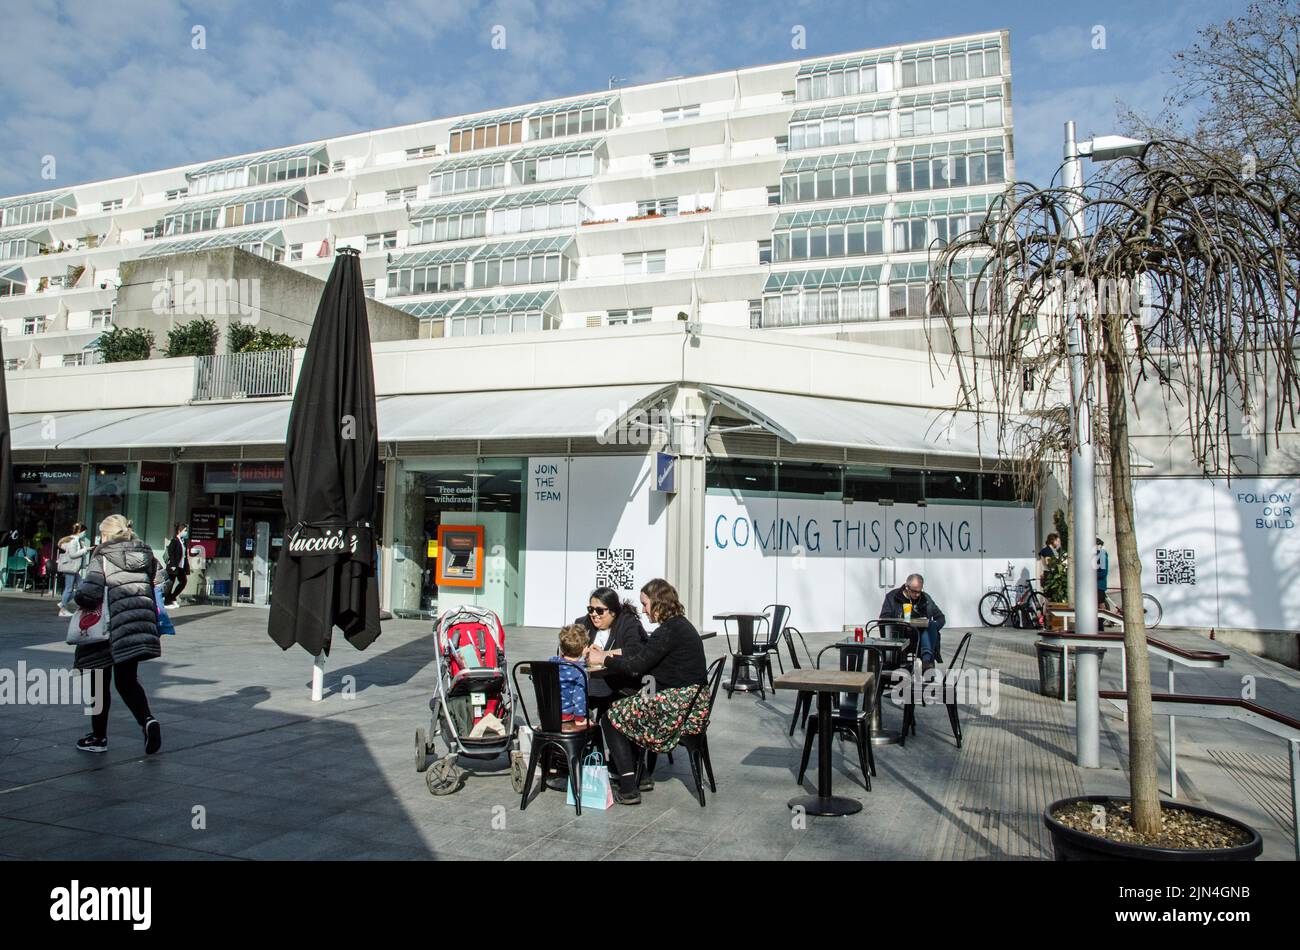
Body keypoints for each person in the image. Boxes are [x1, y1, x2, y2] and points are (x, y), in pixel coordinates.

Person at [588, 578, 708, 806]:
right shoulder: (679, 626)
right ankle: (640, 775)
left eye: (645, 604)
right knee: (629, 704)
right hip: (691, 704)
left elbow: (636, 667)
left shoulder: (669, 631)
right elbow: (646, 659)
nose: (643, 610)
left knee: (610, 718)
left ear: (658, 603)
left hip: (676, 708)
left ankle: (628, 786)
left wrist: (604, 657)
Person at [72, 514, 165, 755]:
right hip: (134, 625)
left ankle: (99, 737)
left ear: (106, 534)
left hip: (106, 627)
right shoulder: (146, 553)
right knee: (127, 681)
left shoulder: (101, 555)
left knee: (97, 684)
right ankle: (148, 721)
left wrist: (78, 596)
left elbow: (90, 593)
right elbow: (161, 580)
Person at [572, 586, 647, 718]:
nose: (594, 614)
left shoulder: (628, 623)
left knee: (603, 710)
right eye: (591, 609)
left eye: (600, 610)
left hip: (619, 683)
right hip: (591, 682)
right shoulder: (583, 623)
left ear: (613, 611)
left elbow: (635, 650)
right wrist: (579, 651)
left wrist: (603, 655)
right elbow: (566, 646)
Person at [881, 573, 946, 676]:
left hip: (920, 638)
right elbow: (884, 618)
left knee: (929, 626)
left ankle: (926, 661)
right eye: (914, 591)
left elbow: (941, 617)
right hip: (901, 635)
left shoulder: (926, 598)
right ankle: (926, 661)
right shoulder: (893, 597)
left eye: (919, 591)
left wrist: (932, 627)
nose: (917, 595)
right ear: (907, 587)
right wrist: (901, 621)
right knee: (925, 629)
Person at [550, 624, 590, 727]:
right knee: (591, 715)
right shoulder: (579, 671)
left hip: (547, 713)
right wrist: (579, 719)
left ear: (561, 648)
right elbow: (579, 698)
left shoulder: (551, 662)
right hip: (566, 716)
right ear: (584, 648)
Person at [55, 523, 90, 618]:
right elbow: (73, 554)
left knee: (81, 586)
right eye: (84, 532)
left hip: (73, 568)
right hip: (70, 568)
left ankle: (63, 603)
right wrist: (85, 550)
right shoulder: (73, 541)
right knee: (69, 588)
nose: (85, 534)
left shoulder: (74, 540)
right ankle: (62, 609)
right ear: (80, 531)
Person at [163, 523, 189, 608]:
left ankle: (172, 597)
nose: (186, 532)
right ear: (179, 531)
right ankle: (167, 601)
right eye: (185, 531)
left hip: (181, 566)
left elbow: (184, 555)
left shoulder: (183, 542)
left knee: (183, 581)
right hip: (174, 566)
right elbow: (171, 553)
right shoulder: (174, 540)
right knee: (171, 583)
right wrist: (173, 565)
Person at [1095, 537, 1110, 609]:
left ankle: (1105, 619)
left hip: (1099, 585)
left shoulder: (1102, 555)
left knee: (1101, 604)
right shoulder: (1097, 556)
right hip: (1096, 585)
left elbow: (1103, 572)